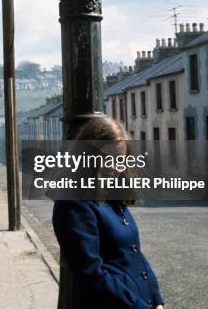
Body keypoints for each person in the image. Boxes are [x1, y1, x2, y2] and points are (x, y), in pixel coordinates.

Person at [53, 117, 164, 309]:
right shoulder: (73, 202)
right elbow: (90, 272)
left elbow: (134, 254)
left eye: (120, 160)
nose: (115, 168)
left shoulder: (112, 195)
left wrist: (156, 299)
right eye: (107, 159)